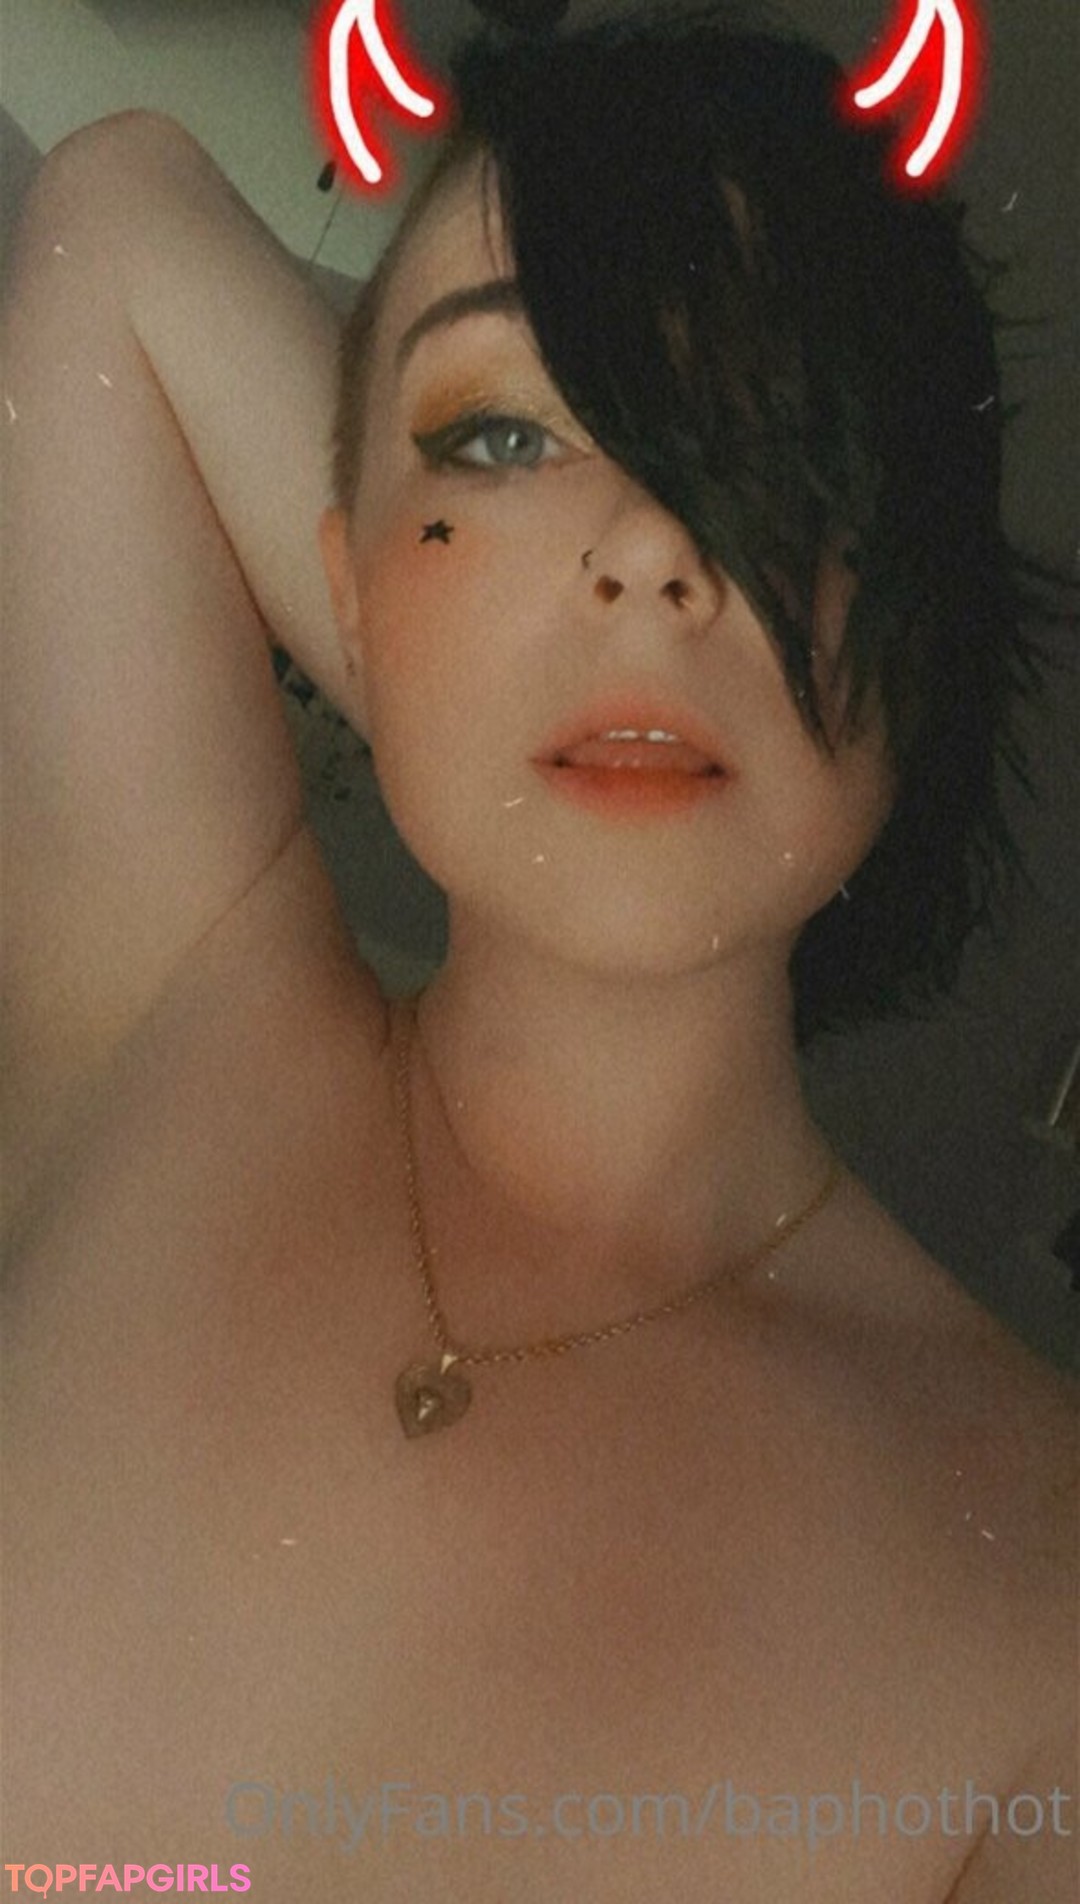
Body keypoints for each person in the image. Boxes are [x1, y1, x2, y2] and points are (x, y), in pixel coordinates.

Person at [1, 5, 1075, 1897]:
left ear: (927, 636)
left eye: (776, 446)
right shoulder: (174, 1014)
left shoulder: (1038, 1590)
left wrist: (519, 660)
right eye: (502, 435)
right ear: (342, 577)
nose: (647, 544)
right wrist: (485, 682)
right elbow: (120, 226)